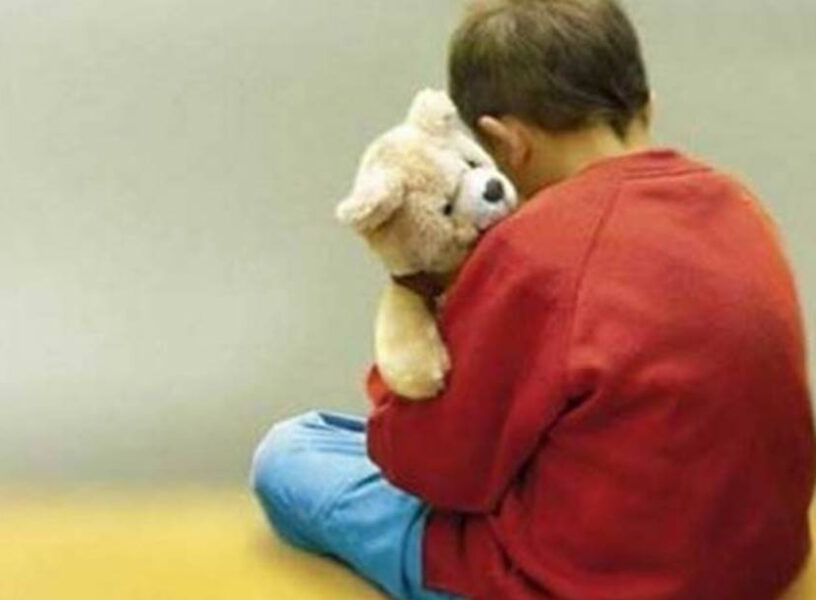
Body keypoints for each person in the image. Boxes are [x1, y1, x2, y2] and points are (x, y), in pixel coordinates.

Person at [249, 1, 816, 598]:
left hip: (586, 583)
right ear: (646, 106)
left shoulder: (536, 248)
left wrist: (424, 304)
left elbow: (433, 470)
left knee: (292, 452)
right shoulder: (740, 206)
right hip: (759, 565)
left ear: (506, 142)